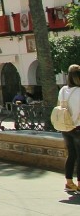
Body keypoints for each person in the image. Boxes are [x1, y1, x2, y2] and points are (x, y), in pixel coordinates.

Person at [60, 64, 80, 192]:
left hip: (65, 127)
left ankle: (69, 182)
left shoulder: (63, 90)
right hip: (78, 127)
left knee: (71, 154)